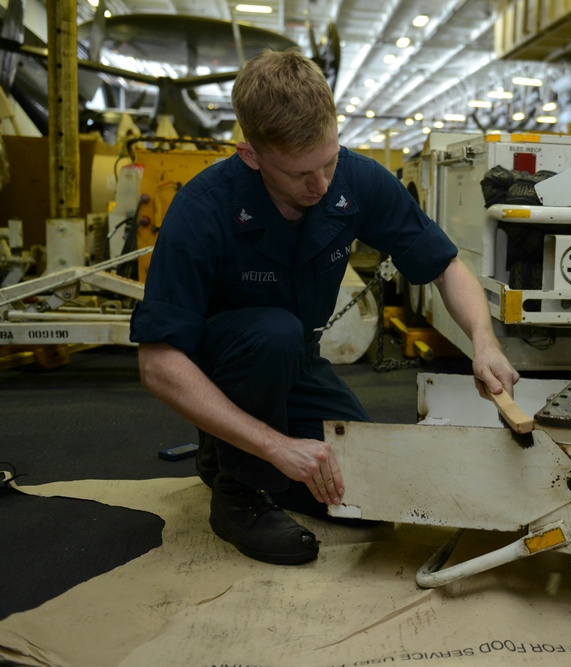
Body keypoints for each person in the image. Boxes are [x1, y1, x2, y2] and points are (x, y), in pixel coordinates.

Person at [129, 48, 519, 566]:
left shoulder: (357, 180)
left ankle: (245, 454)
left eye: (329, 161)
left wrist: (483, 342)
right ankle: (238, 490)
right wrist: (275, 447)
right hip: (227, 362)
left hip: (299, 359)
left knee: (371, 495)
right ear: (251, 154)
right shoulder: (204, 207)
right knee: (273, 332)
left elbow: (444, 264)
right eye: (298, 175)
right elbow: (158, 364)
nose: (321, 186)